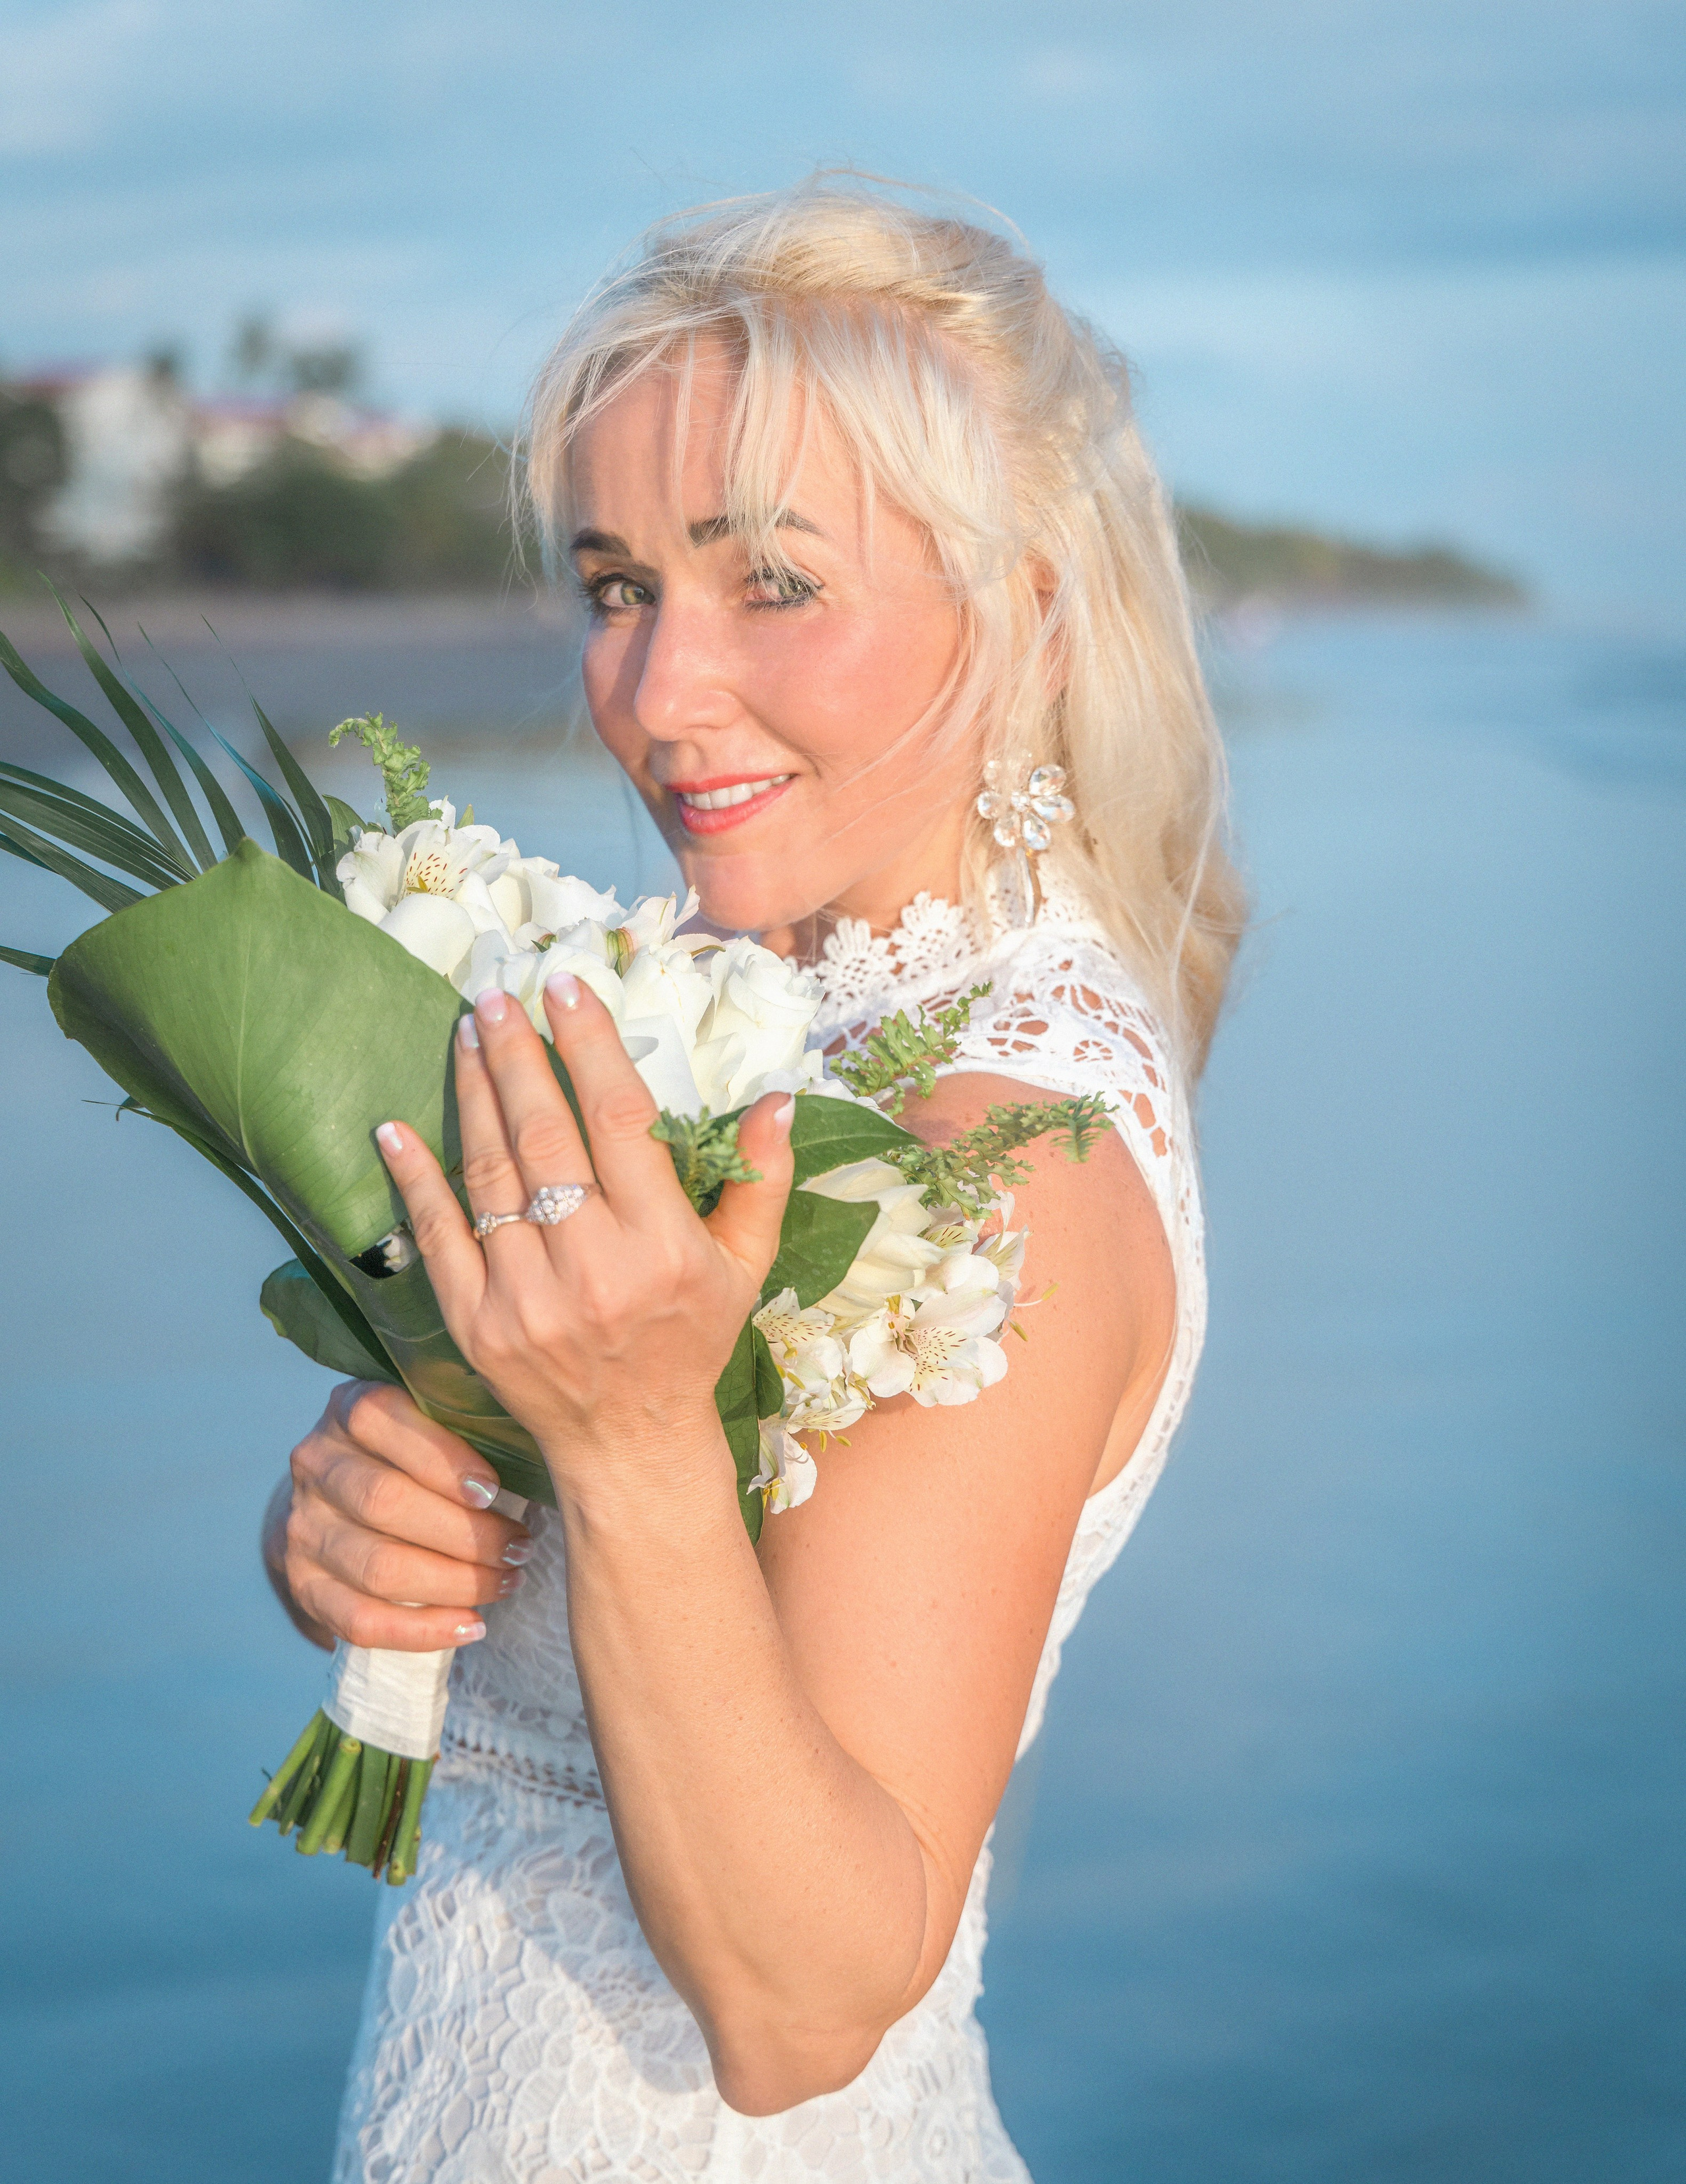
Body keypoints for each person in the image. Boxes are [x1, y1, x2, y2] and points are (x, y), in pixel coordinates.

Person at [263, 179, 1245, 2182]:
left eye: (772, 584)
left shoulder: (1004, 1148)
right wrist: (388, 1523)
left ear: (1033, 603)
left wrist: (619, 1441)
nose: (654, 690)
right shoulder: (743, 1007)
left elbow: (803, 2004)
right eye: (620, 586)